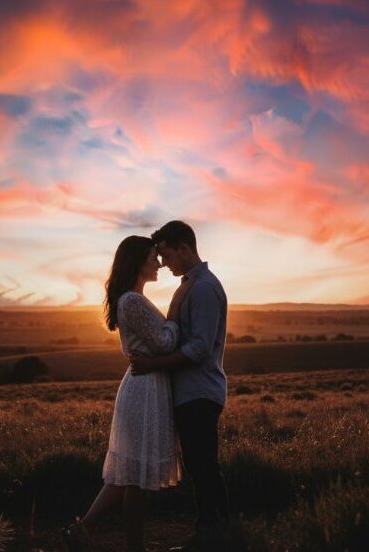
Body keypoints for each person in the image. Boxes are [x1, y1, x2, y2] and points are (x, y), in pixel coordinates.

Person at [64, 235, 182, 552]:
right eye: (152, 257)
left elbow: (156, 343)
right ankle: (127, 543)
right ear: (137, 262)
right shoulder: (132, 301)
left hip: (147, 385)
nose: (158, 263)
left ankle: (86, 530)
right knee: (135, 476)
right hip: (144, 390)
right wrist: (176, 323)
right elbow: (164, 342)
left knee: (132, 475)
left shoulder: (134, 299)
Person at [129, 220, 230, 551]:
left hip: (199, 392)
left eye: (167, 255)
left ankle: (214, 538)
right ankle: (214, 535)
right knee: (201, 467)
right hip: (191, 393)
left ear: (184, 248)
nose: (164, 263)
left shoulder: (202, 289)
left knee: (204, 467)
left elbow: (199, 348)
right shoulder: (189, 285)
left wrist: (152, 365)